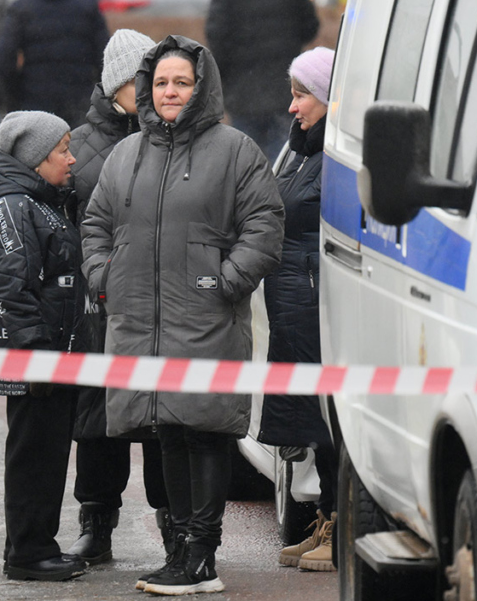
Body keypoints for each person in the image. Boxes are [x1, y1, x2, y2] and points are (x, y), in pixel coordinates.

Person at [82, 35, 285, 595]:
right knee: (166, 431)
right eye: (161, 83)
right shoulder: (128, 154)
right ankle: (180, 555)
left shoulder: (236, 150)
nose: (170, 92)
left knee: (205, 431)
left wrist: (227, 281)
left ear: (201, 89)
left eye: (181, 83)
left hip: (206, 317)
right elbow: (96, 222)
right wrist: (105, 278)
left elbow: (264, 225)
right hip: (140, 323)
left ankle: (203, 555)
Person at [0, 110, 89, 582]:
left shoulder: (43, 201)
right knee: (34, 454)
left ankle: (32, 544)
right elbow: (13, 288)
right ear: (35, 159)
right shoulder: (14, 207)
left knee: (48, 451)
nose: (71, 158)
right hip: (38, 358)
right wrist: (36, 355)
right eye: (62, 150)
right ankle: (29, 551)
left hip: (56, 352)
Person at [65, 29, 173, 566]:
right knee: (98, 421)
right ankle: (96, 523)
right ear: (116, 87)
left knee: (163, 418)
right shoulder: (80, 146)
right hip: (99, 308)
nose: (152, 89)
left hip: (162, 307)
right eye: (141, 80)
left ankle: (173, 526)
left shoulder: (176, 139)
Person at [258, 46, 338, 572]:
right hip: (294, 304)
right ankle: (326, 516)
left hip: (318, 305)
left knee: (330, 419)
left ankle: (339, 525)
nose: (293, 107)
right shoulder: (300, 149)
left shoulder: (333, 156)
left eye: (302, 94)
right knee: (311, 418)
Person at [205, 0, 319, 163]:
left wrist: (221, 83)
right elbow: (310, 28)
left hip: (243, 93)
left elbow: (217, 41)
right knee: (284, 158)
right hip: (284, 90)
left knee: (245, 161)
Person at [0, 0, 108, 127]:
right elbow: (104, 56)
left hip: (35, 99)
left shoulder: (21, 8)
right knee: (77, 151)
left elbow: (4, 58)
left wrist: (14, 95)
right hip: (80, 99)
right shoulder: (87, 6)